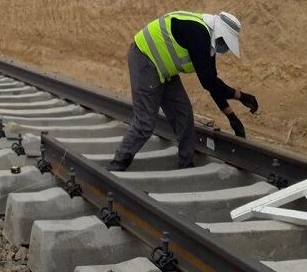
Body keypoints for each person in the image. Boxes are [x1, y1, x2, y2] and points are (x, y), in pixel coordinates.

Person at [108, 11, 259, 171]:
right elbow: (208, 82)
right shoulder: (199, 33)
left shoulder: (209, 43)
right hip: (144, 59)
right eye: (225, 43)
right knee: (145, 123)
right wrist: (240, 96)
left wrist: (231, 116)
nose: (225, 48)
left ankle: (186, 165)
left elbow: (212, 83)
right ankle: (116, 166)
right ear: (220, 34)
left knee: (184, 114)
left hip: (164, 69)